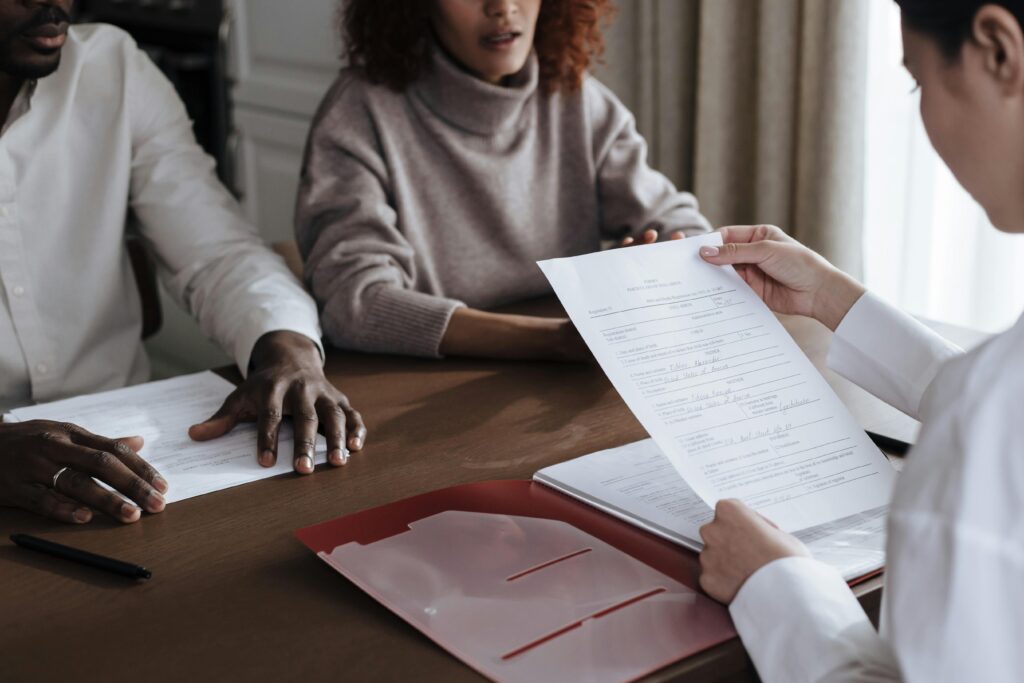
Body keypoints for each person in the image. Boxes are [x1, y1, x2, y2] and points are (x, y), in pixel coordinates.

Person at [695, 1, 1024, 680]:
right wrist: (831, 298)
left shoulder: (990, 412)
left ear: (998, 50)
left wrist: (776, 580)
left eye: (918, 82)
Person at [0, 1, 367, 526]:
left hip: (131, 461)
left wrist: (287, 349)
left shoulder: (111, 67)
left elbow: (216, 251)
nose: (58, 5)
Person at [295, 0, 711, 362]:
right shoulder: (358, 113)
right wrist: (553, 342)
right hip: (427, 385)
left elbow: (679, 222)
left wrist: (659, 262)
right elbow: (355, 303)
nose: (502, 6)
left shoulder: (576, 98)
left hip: (569, 381)